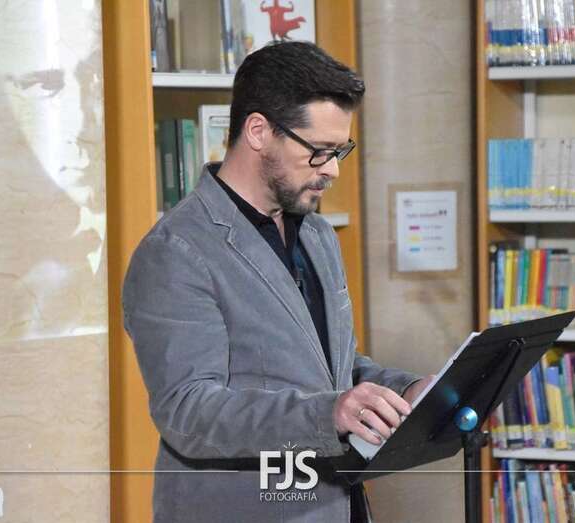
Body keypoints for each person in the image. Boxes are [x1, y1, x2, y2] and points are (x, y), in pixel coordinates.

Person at [122, 41, 430, 523]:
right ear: (258, 131)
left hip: (334, 504)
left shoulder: (318, 234)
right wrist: (329, 414)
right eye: (319, 152)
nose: (332, 169)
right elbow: (188, 411)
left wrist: (406, 391)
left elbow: (329, 370)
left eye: (339, 151)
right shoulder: (175, 251)